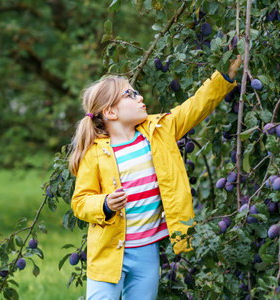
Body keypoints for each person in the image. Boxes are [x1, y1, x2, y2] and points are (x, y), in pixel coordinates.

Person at [68, 54, 242, 300]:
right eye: (129, 95)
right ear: (110, 112)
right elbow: (80, 201)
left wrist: (225, 76)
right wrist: (104, 204)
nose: (140, 97)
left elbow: (195, 106)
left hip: (146, 252)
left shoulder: (159, 130)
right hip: (108, 251)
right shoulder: (95, 154)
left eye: (136, 92)